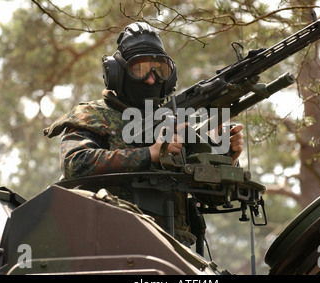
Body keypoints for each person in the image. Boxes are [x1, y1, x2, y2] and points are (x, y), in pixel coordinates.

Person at [44, 22, 244, 245]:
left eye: (160, 70)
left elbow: (210, 197)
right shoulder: (91, 115)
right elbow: (75, 164)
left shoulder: (173, 124)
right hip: (108, 247)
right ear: (117, 73)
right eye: (140, 69)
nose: (151, 78)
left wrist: (226, 159)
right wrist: (150, 154)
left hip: (176, 252)